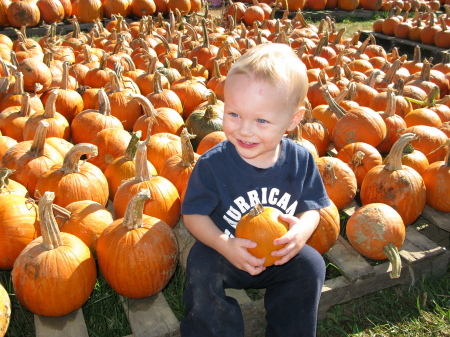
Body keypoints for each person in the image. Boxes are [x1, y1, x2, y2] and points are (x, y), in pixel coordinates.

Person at [180, 43, 331, 337]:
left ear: (292, 120)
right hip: (228, 253)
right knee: (201, 264)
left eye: (261, 120)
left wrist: (300, 233)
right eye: (234, 114)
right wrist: (224, 244)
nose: (245, 130)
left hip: (278, 254)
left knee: (311, 264)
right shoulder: (213, 164)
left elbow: (312, 206)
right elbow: (193, 215)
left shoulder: (300, 160)